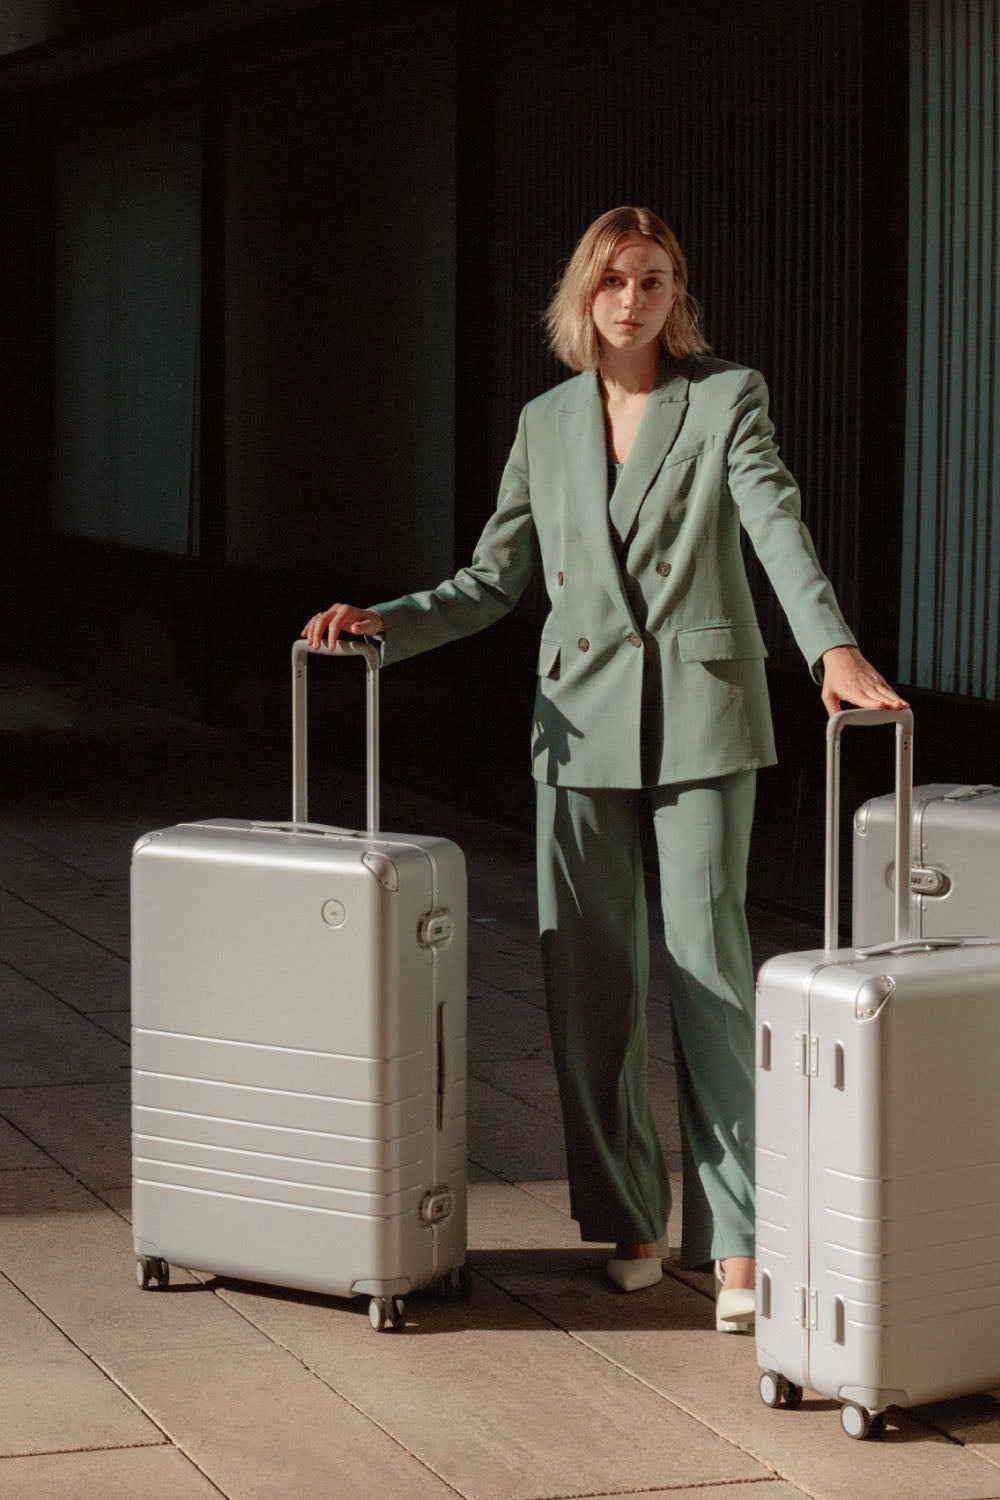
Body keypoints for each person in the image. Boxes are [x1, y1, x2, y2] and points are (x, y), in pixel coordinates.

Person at [302, 206, 906, 1330]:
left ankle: (732, 1234)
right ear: (584, 295)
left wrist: (828, 643)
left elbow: (773, 521)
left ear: (679, 295)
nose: (634, 299)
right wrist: (382, 620)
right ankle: (629, 1213)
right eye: (615, 280)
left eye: (657, 279)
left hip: (702, 717)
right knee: (589, 982)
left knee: (712, 971)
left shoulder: (727, 397)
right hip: (578, 724)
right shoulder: (544, 423)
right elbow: (493, 578)